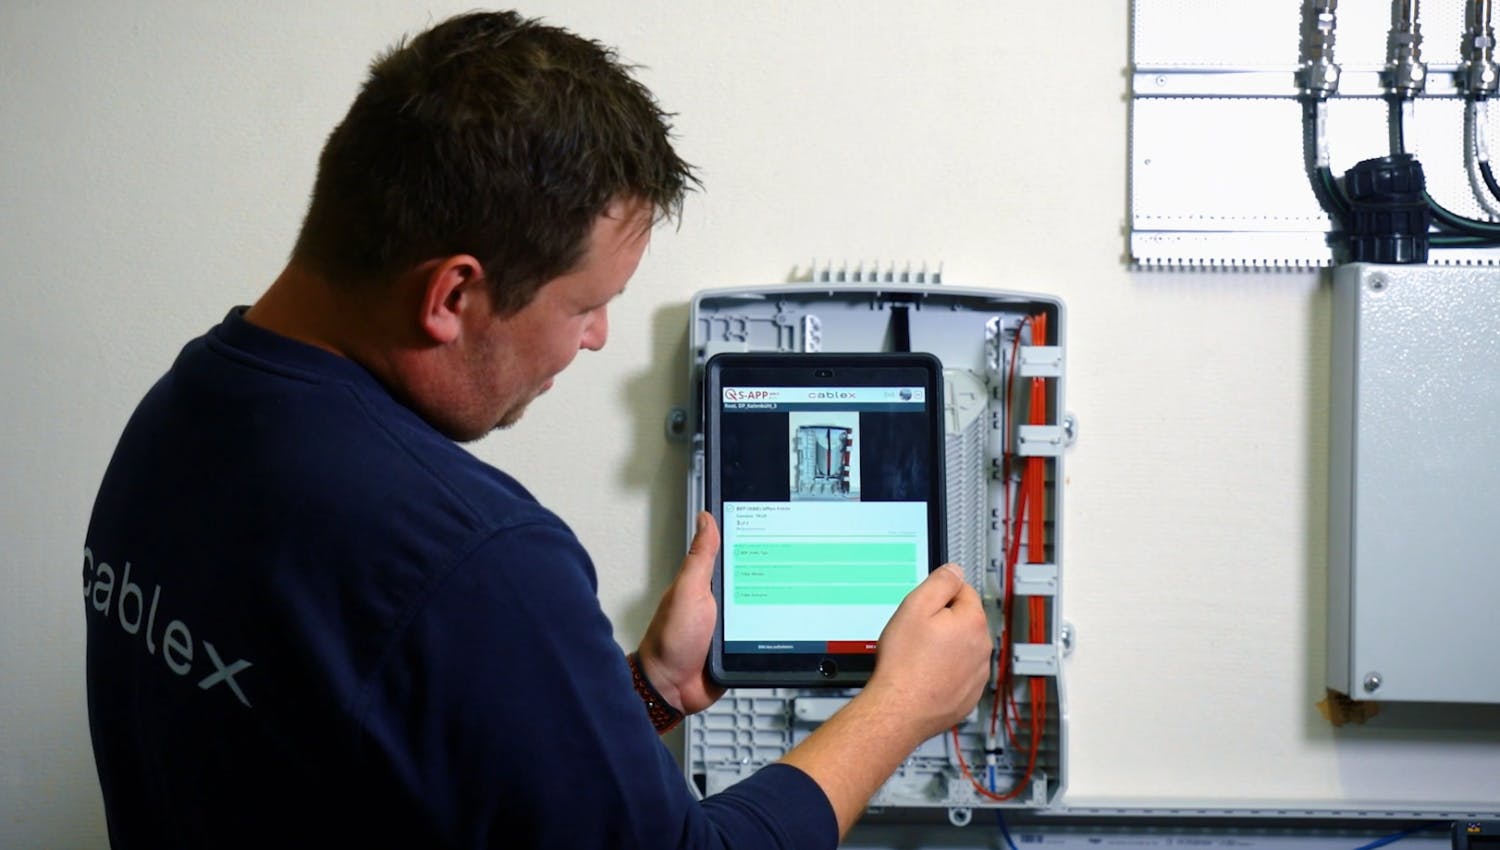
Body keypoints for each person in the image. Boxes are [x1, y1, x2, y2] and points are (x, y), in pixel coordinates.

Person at [81, 10, 991, 849]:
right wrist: (902, 704)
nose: (595, 339)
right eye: (585, 306)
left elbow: (407, 763)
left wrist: (654, 691)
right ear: (452, 295)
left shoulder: (182, 412)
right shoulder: (467, 555)